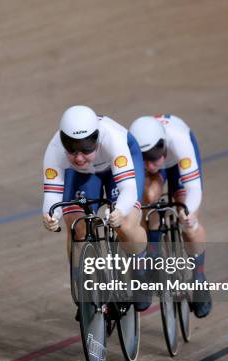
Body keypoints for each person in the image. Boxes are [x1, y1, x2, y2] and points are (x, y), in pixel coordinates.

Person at [42, 105, 150, 312]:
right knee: (76, 224)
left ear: (97, 138)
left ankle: (140, 270)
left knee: (126, 224)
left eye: (86, 148)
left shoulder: (113, 139)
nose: (79, 157)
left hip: (116, 168)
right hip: (82, 174)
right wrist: (49, 216)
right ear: (63, 140)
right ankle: (82, 282)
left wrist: (119, 210)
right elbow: (51, 196)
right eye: (71, 149)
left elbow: (128, 189)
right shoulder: (54, 150)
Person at [129, 114, 212, 318]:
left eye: (154, 157)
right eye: (144, 159)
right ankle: (154, 247)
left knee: (188, 221)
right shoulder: (134, 149)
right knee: (148, 196)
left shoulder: (180, 142)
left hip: (178, 163)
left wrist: (187, 213)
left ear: (163, 145)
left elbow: (193, 189)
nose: (149, 165)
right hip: (163, 165)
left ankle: (199, 277)